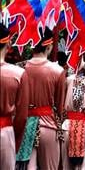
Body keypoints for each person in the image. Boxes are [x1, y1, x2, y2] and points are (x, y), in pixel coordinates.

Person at [17, 26, 67, 170]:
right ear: (49, 46)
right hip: (49, 125)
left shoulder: (20, 68)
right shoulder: (58, 71)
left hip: (25, 124)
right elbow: (59, 106)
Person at [0, 15, 28, 170]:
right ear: (8, 43)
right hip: (5, 133)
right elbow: (22, 116)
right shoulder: (18, 74)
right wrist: (15, 139)